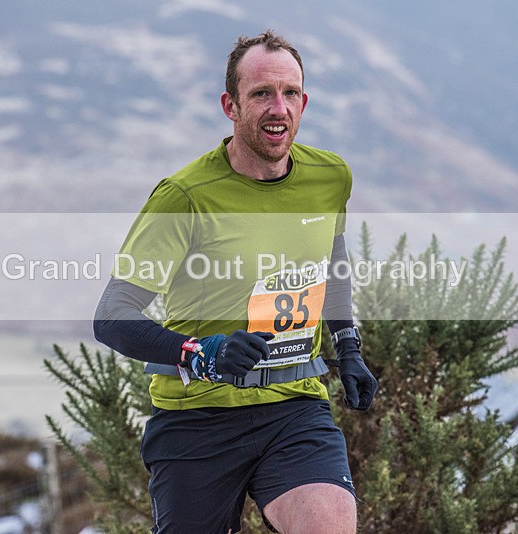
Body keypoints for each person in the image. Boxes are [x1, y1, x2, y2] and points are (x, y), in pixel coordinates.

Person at [94, 30, 377, 534]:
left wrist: (348, 345)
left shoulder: (330, 177)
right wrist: (200, 351)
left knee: (328, 523)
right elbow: (112, 316)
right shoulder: (184, 195)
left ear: (304, 102)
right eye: (261, 94)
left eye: (290, 93)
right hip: (196, 419)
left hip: (295, 408)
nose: (278, 108)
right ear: (231, 105)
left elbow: (330, 260)